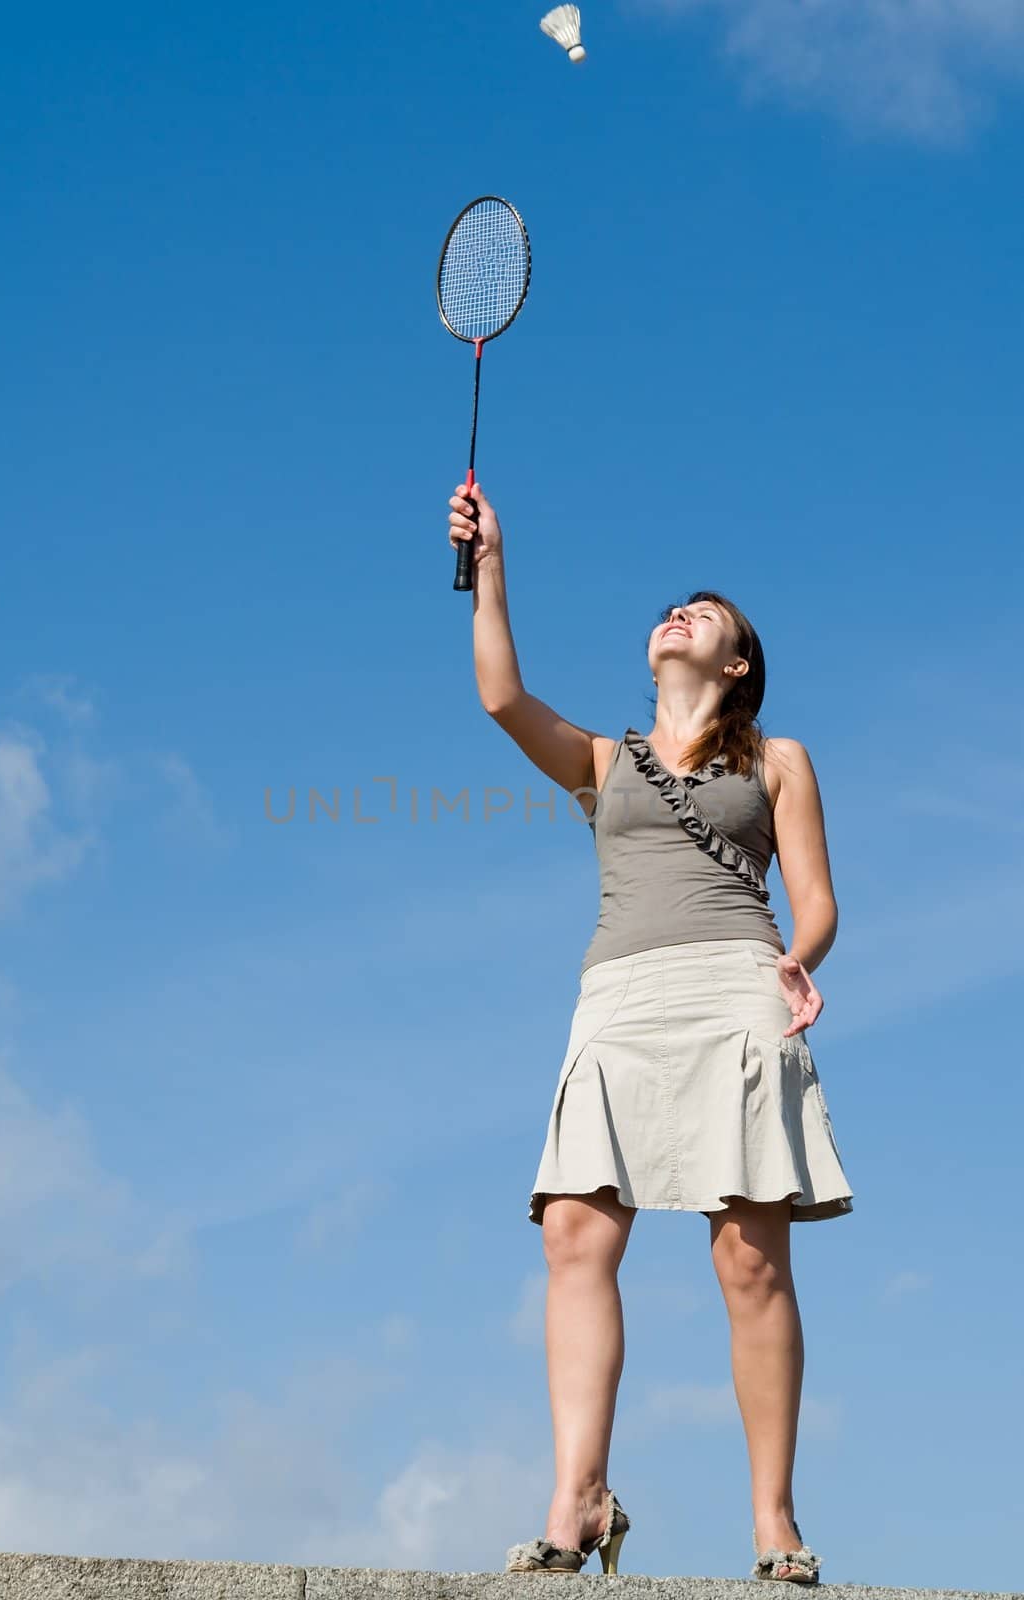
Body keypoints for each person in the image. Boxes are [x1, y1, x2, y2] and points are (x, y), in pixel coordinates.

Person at [446, 483, 854, 1584]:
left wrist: (794, 961)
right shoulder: (601, 761)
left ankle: (773, 1522)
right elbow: (499, 696)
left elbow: (812, 900)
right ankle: (577, 1498)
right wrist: (490, 563)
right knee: (573, 1233)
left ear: (736, 666)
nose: (679, 613)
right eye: (672, 607)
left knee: (748, 1256)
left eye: (704, 613)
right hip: (617, 998)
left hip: (733, 985)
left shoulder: (777, 761)